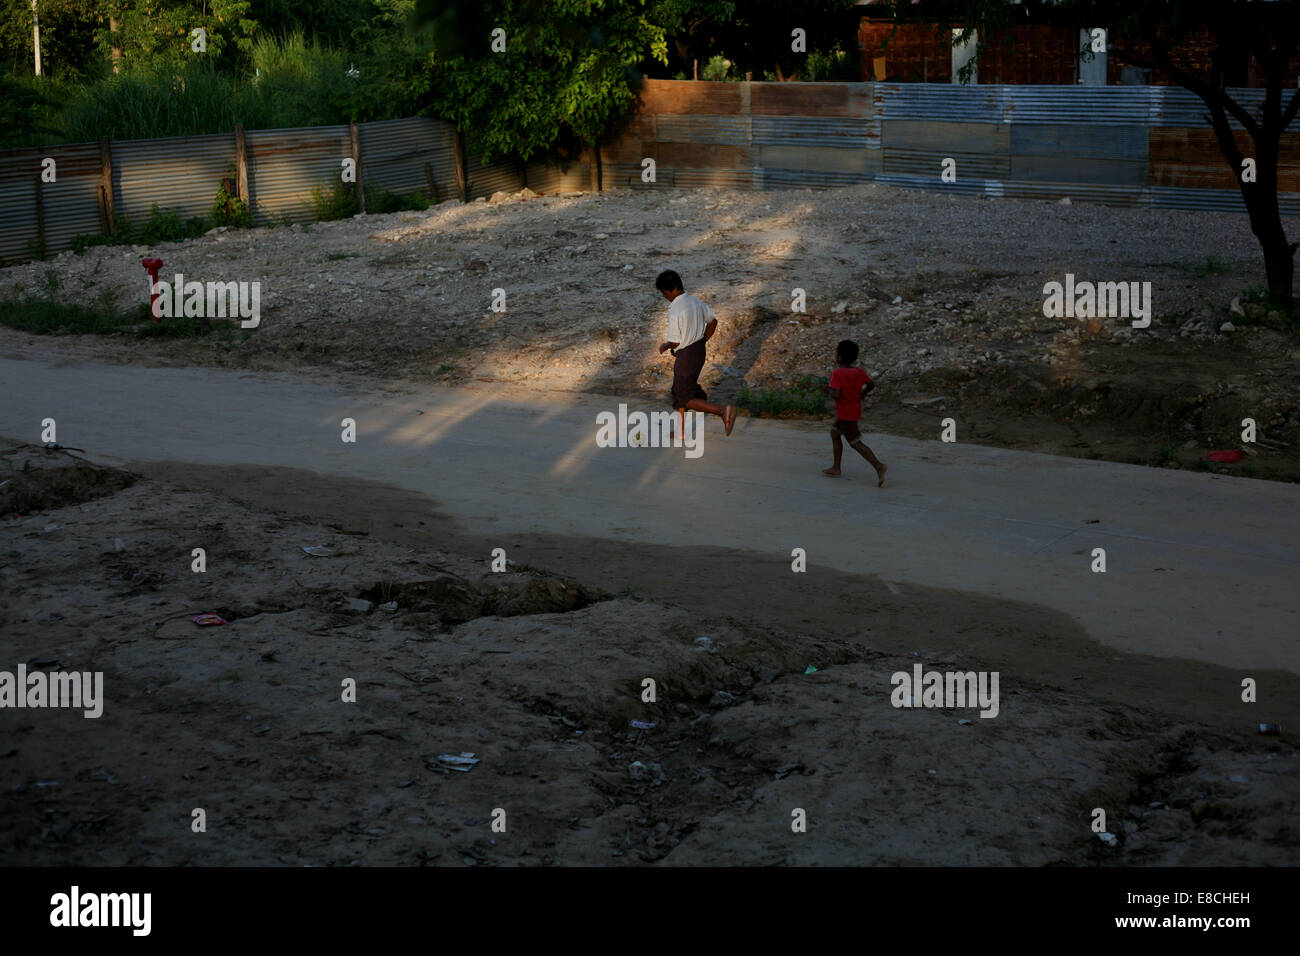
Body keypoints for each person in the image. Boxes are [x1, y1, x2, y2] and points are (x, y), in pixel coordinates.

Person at [655, 270, 736, 436]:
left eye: (664, 293)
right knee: (680, 390)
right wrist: (703, 340)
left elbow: (676, 341)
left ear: (671, 289)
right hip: (699, 350)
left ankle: (722, 411)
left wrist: (665, 345)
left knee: (683, 395)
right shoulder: (695, 301)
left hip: (686, 355)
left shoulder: (675, 309)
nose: (664, 297)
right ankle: (680, 430)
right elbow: (713, 321)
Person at [823, 339, 886, 487]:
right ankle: (836, 467)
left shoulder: (837, 373)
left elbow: (837, 395)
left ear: (839, 357)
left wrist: (827, 390)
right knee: (834, 433)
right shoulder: (858, 371)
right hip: (853, 411)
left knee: (855, 443)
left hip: (845, 415)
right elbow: (871, 384)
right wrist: (862, 394)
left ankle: (879, 466)